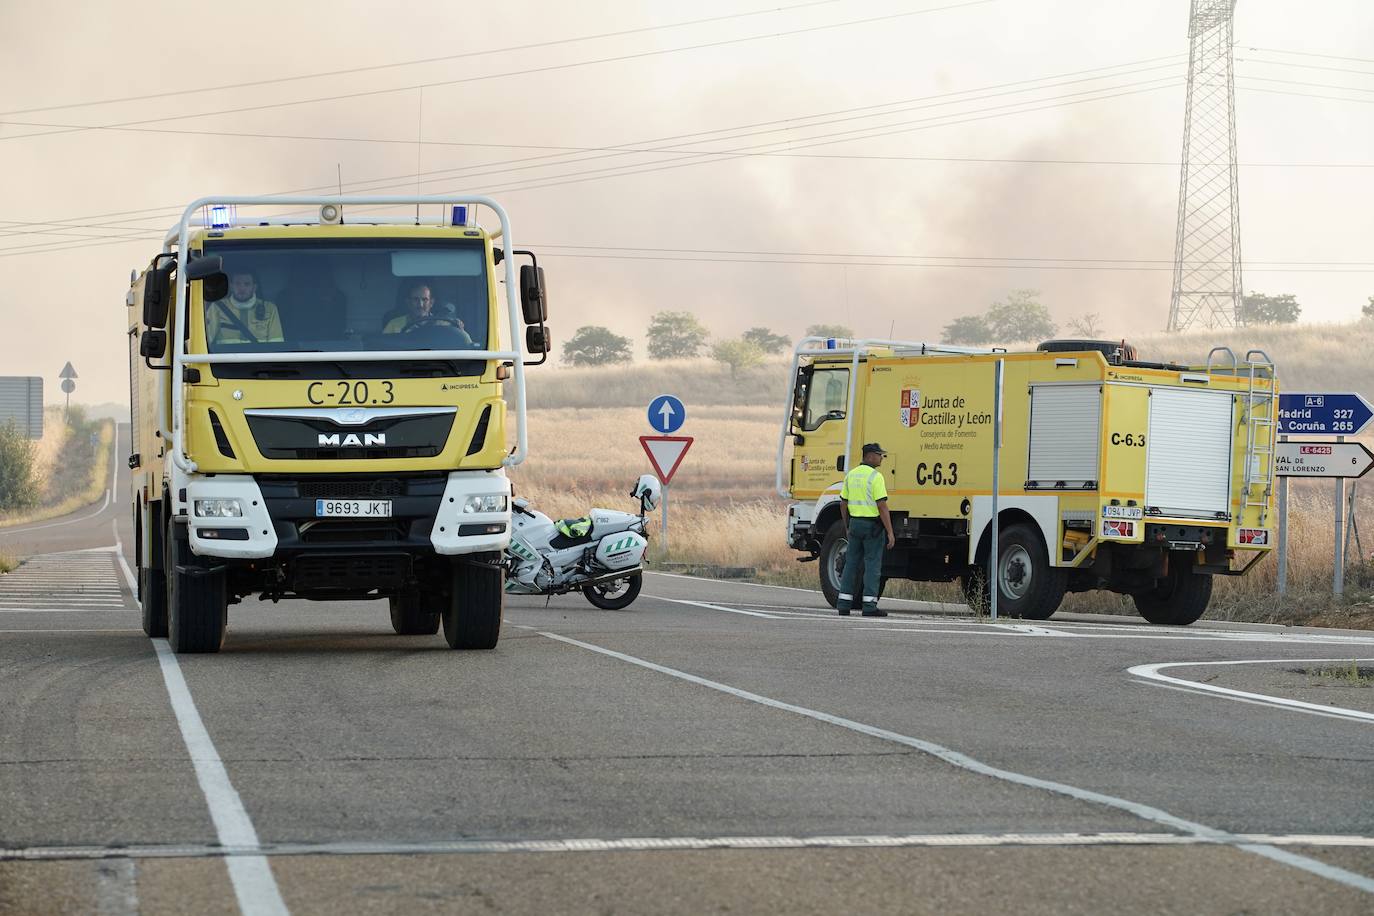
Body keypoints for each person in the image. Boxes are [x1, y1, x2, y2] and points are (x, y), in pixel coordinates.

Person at [836, 442, 896, 617]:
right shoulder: (875, 477)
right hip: (872, 528)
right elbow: (882, 506)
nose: (881, 458)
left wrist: (847, 525)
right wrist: (890, 532)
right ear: (870, 456)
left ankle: (843, 604)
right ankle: (869, 606)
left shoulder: (851, 475)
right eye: (879, 455)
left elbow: (843, 503)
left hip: (854, 525)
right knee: (872, 566)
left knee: (850, 564)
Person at [206, 271, 284, 346]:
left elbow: (276, 344)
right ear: (231, 286)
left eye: (247, 284)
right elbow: (205, 340)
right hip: (226, 359)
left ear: (254, 287)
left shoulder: (270, 308)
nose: (242, 288)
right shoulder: (217, 307)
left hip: (260, 359)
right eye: (237, 284)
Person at [383, 282, 472, 343]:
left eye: (424, 299)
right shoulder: (393, 325)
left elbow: (466, 344)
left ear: (431, 302)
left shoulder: (445, 325)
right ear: (408, 302)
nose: (420, 304)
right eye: (415, 299)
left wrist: (460, 331)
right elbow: (383, 348)